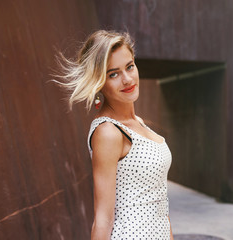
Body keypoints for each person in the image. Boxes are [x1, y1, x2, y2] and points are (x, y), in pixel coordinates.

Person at [56, 30, 173, 240]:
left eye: (129, 66)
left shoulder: (138, 124)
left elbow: (161, 207)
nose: (127, 79)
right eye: (113, 74)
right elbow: (103, 219)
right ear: (100, 82)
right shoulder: (108, 132)